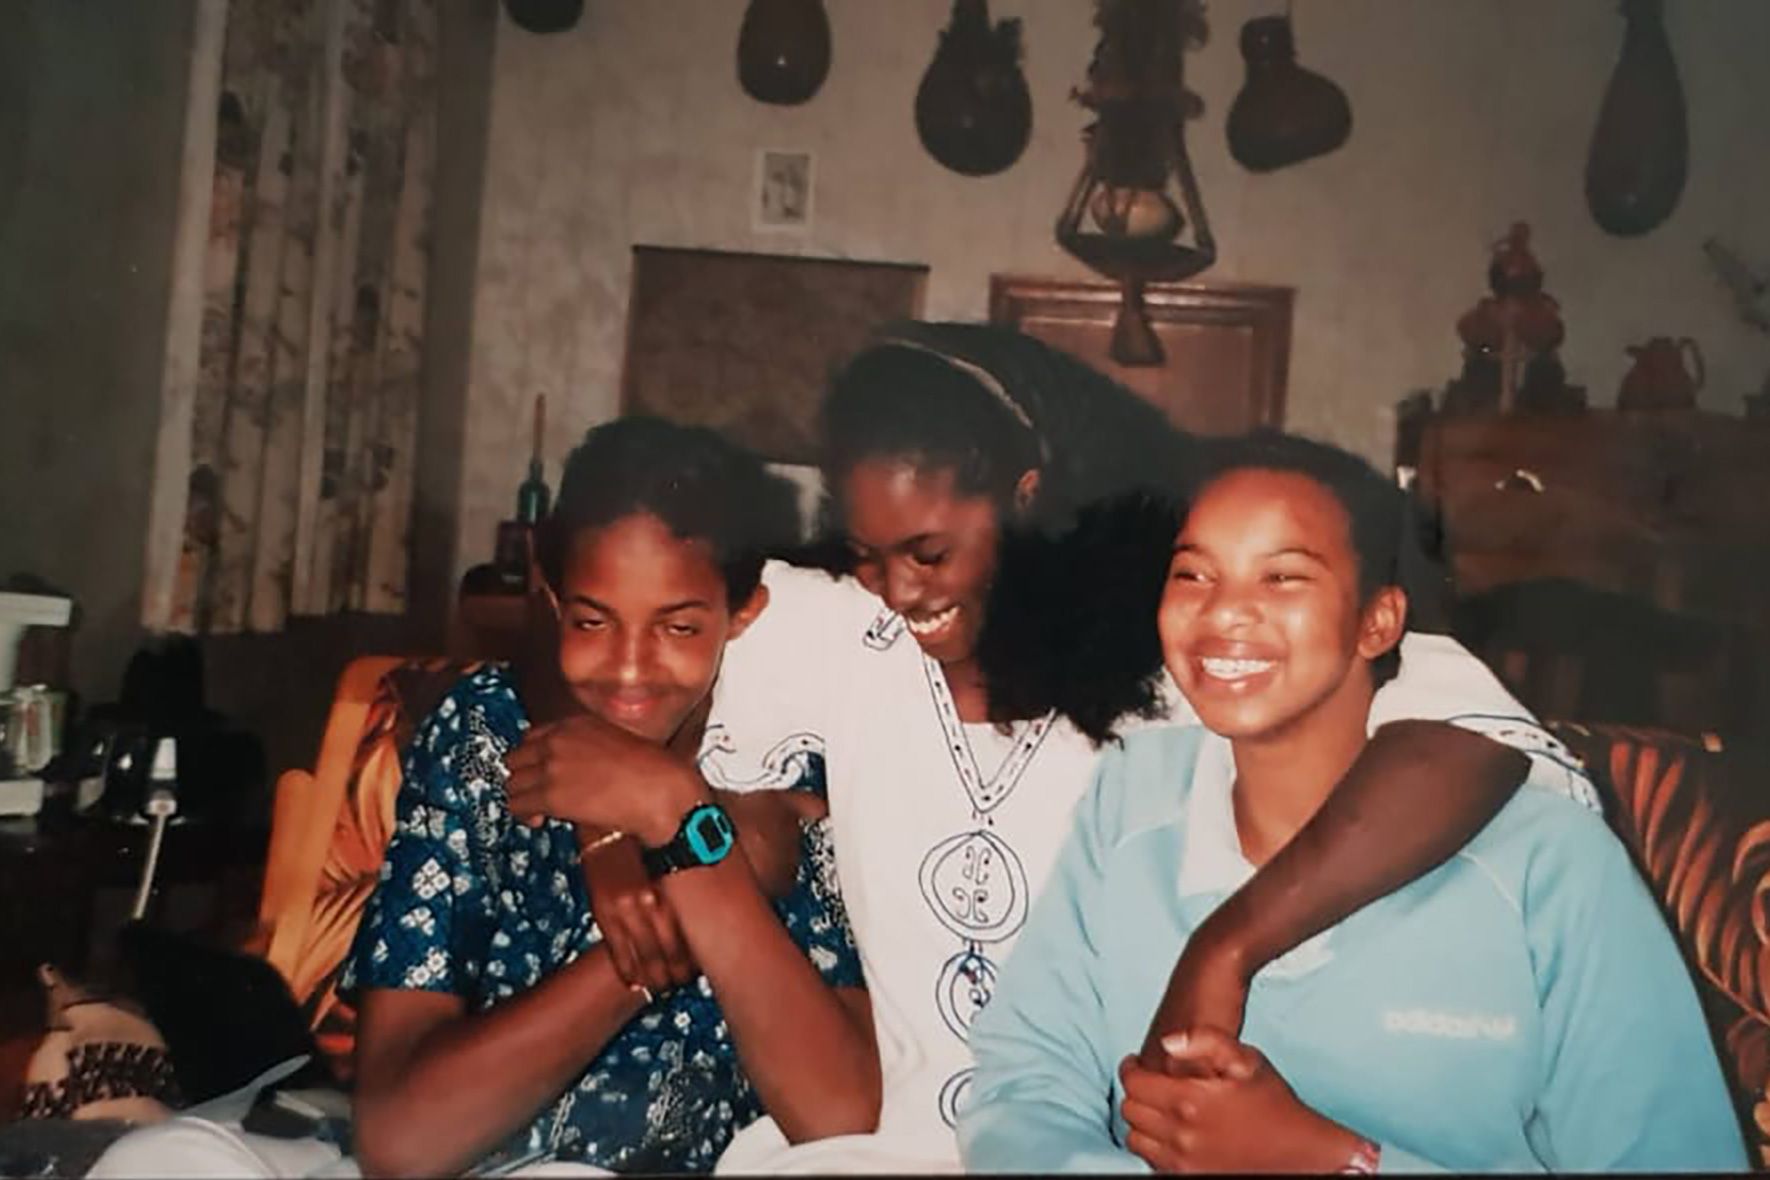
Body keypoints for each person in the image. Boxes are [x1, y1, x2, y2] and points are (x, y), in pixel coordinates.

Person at [516, 324, 1597, 1174]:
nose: (899, 589)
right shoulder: (840, 628)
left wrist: (1228, 945)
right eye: (868, 552)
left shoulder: (1178, 642)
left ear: (1028, 498)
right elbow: (623, 665)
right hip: (885, 1157)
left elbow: (1471, 741)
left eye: (930, 550)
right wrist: (624, 826)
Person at [89, 418, 876, 1178]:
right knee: (154, 1160)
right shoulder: (481, 739)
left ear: (742, 614)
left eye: (676, 628)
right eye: (594, 620)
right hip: (464, 1152)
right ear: (552, 598)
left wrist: (675, 817)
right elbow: (400, 1141)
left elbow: (840, 1117)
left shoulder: (789, 763)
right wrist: (641, 945)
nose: (628, 670)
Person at [959, 431, 1745, 1173]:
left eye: (1283, 577)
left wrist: (1330, 1160)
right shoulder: (1133, 797)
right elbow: (1023, 1082)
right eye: (1194, 574)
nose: (1224, 612)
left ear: (1378, 621)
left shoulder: (1547, 863)